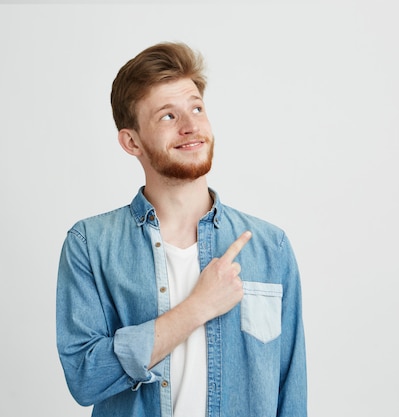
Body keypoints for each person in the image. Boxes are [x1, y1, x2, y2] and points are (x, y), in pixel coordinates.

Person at [56, 41, 307, 417]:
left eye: (196, 108)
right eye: (168, 116)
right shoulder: (90, 245)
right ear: (131, 141)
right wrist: (196, 308)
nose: (191, 126)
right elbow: (85, 377)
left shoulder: (271, 247)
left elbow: (291, 390)